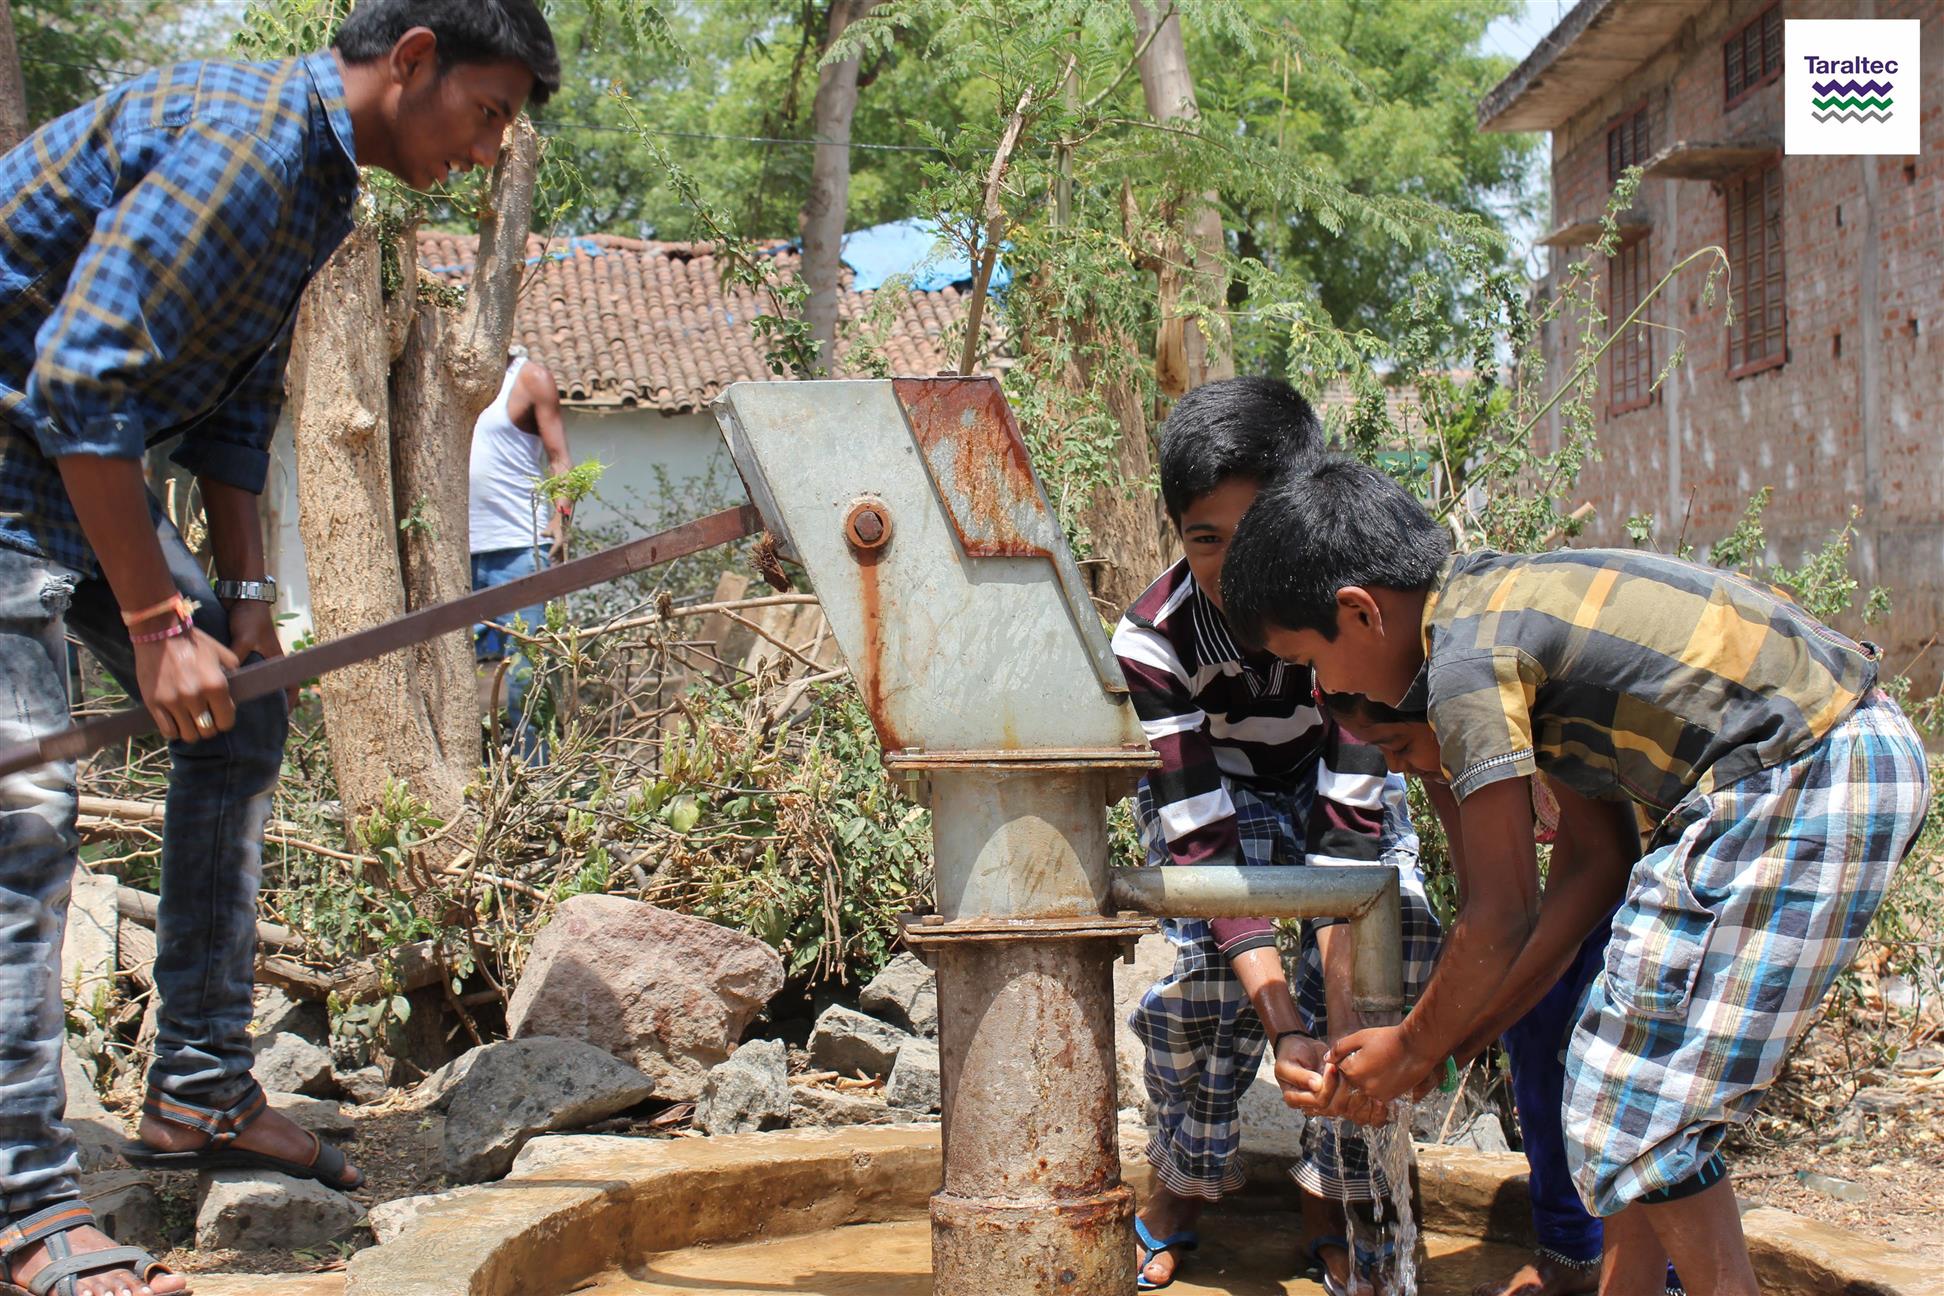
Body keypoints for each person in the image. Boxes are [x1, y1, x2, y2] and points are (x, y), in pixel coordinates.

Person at [0, 3, 559, 1293]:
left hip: (63, 458)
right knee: (26, 815)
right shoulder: (245, 147)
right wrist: (152, 627)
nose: (486, 150)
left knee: (242, 711)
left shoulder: (319, 192)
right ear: (411, 57)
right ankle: (24, 1209)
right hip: (26, 451)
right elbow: (86, 382)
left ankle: (196, 1089)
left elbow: (235, 400)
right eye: (486, 112)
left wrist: (241, 598)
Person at [1220, 457, 1930, 1296]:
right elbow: (1596, 866)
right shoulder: (1503, 612)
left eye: (1309, 660)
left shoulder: (1462, 664)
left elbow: (1502, 911)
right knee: (1618, 1073)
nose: (1321, 688)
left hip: (1804, 774)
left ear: (1359, 613)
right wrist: (1459, 1039)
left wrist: (1415, 1048)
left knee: (1639, 1100)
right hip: (1824, 763)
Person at [1110, 380, 1441, 1293]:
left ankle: (1335, 1196)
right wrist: (1286, 1024)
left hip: (1335, 798)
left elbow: (1348, 831)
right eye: (1201, 538)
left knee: (1395, 949)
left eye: (1250, 533)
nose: (1225, 565)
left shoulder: (1348, 611)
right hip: (1220, 796)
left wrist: (1339, 1017)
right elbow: (1203, 845)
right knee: (1205, 979)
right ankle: (1183, 1186)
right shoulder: (1153, 640)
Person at [1320, 693, 1684, 1296]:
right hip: (1593, 867)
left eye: (1400, 746)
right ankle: (1569, 1252)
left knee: (1630, 1064)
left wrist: (1428, 1048)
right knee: (1533, 1030)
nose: (1397, 767)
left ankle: (1667, 1274)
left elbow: (1594, 868)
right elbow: (1485, 905)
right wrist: (1451, 1031)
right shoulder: (1434, 755)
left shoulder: (1527, 712)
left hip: (1660, 859)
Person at [469, 346, 571, 761]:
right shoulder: (445, 381)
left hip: (519, 546)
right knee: (457, 670)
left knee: (528, 671)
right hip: (456, 553)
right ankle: (477, 776)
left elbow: (559, 457)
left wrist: (561, 518)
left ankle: (538, 776)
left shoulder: (529, 379)